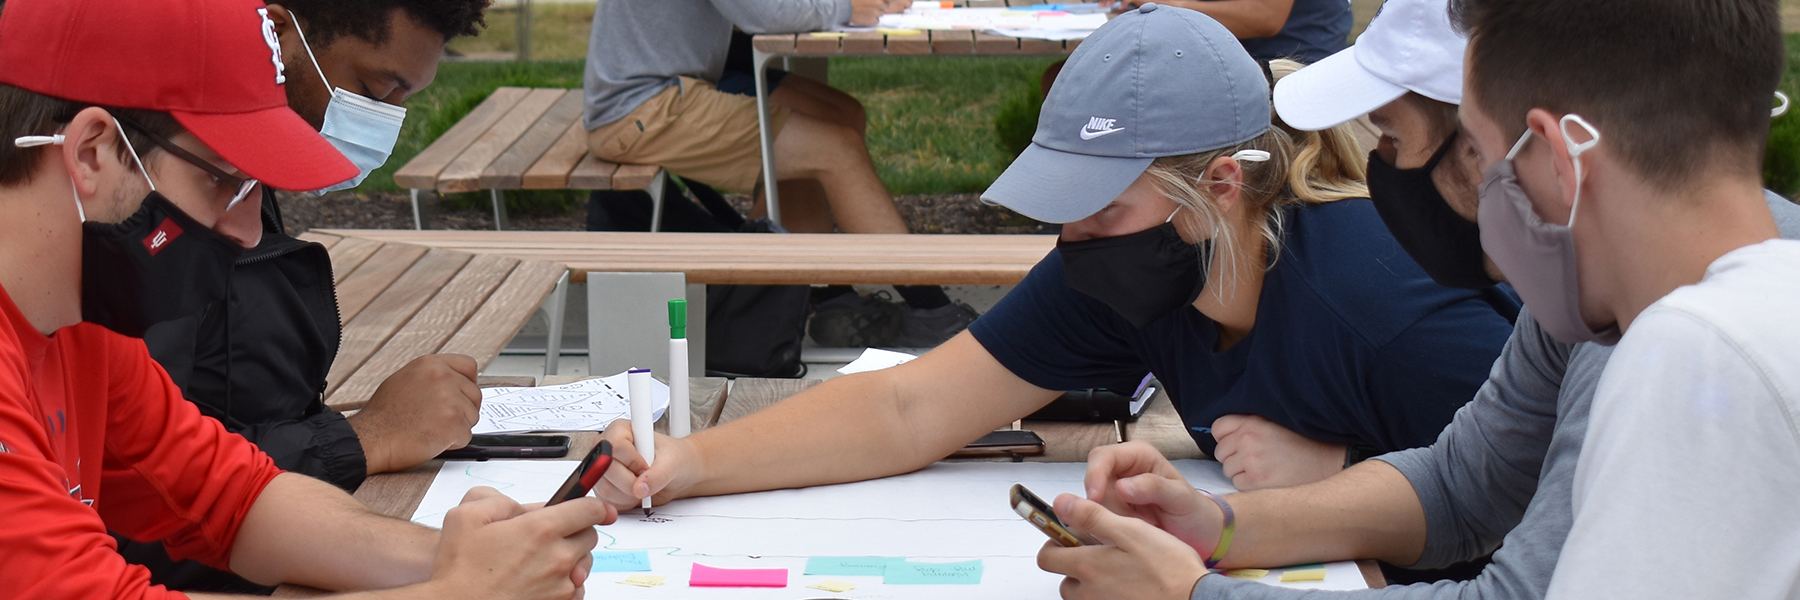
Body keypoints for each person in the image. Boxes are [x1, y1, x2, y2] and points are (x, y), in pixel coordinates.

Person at [591, 5, 1515, 516]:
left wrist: (1349, 470)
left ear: (1221, 187)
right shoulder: (1128, 270)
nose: (1071, 238)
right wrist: (690, 461)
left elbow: (1550, 493)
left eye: (1100, 206)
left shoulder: (1385, 304)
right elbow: (911, 405)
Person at [1033, 0, 1800, 598]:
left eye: (1392, 143)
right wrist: (1220, 527)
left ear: (1555, 158)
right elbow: (1464, 482)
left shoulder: (1693, 351)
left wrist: (1195, 595)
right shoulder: (1610, 294)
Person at [0, 0, 614, 598]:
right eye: (220, 176)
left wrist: (462, 557)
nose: (246, 230)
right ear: (92, 152)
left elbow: (237, 501)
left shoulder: (80, 332)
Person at [121, 0, 494, 592]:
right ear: (275, 32)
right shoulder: (131, 254)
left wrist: (467, 558)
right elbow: (137, 523)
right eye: (376, 87)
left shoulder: (187, 189)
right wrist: (365, 438)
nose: (245, 230)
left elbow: (219, 495)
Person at [581, 0, 984, 348]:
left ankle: (825, 301)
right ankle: (932, 314)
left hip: (664, 90)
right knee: (835, 149)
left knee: (834, 118)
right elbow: (766, 13)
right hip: (642, 110)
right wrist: (847, 8)